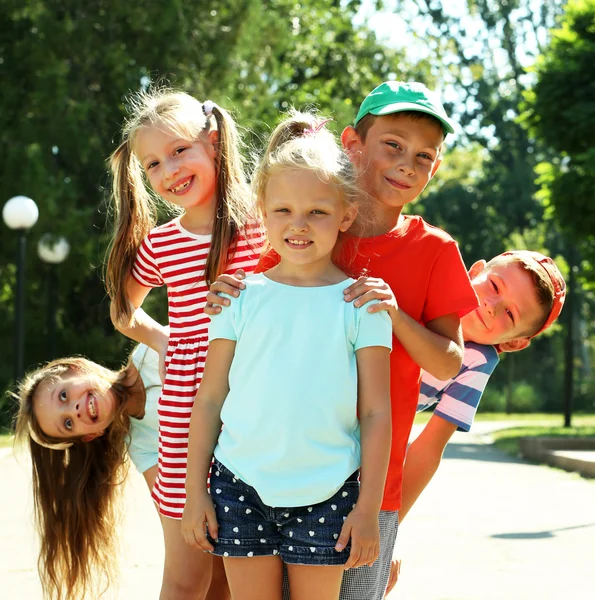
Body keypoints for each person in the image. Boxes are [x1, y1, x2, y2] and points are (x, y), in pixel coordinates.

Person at [205, 81, 480, 599]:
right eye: (392, 145)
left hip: (373, 485)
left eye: (424, 156)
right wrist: (225, 290)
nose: (406, 164)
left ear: (435, 169)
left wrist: (393, 313)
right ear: (353, 143)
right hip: (275, 471)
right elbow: (253, 312)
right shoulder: (312, 227)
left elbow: (447, 363)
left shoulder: (435, 250)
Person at [181, 110, 393, 600]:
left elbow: (377, 411)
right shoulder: (236, 298)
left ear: (345, 214)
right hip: (239, 487)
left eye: (317, 211)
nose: (299, 225)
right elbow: (209, 399)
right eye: (283, 210)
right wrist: (195, 494)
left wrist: (367, 509)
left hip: (331, 492)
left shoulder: (363, 305)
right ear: (262, 208)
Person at [105, 89, 264, 598]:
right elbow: (123, 312)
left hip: (257, 408)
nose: (168, 170)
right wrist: (170, 341)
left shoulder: (267, 223)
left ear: (213, 142)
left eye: (179, 151)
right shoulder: (161, 244)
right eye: (153, 164)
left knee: (242, 569)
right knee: (187, 572)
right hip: (184, 412)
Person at [383, 250, 566, 594]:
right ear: (475, 270)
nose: (491, 306)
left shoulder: (478, 360)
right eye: (494, 286)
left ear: (514, 342)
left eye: (509, 313)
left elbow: (428, 447)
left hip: (358, 453)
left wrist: (387, 530)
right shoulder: (422, 288)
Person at [13, 344, 229, 600]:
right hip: (255, 487)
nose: (74, 410)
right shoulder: (142, 444)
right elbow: (184, 540)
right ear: (91, 435)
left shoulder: (151, 352)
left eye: (63, 396)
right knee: (215, 559)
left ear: (77, 369)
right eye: (68, 423)